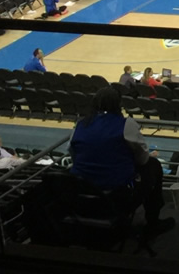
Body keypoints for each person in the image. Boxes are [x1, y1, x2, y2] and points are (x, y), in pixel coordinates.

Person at [68, 86, 173, 235]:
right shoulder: (126, 124)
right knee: (153, 165)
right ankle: (152, 222)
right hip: (116, 193)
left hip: (82, 189)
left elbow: (73, 154)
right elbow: (143, 159)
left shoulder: (80, 125)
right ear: (119, 104)